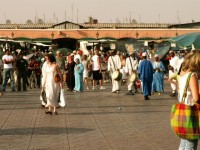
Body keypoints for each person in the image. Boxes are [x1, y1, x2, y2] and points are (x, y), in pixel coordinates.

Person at [176, 50, 200, 150]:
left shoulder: (182, 73)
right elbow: (196, 98)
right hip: (191, 112)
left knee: (184, 142)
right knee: (191, 143)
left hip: (183, 110)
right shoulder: (192, 75)